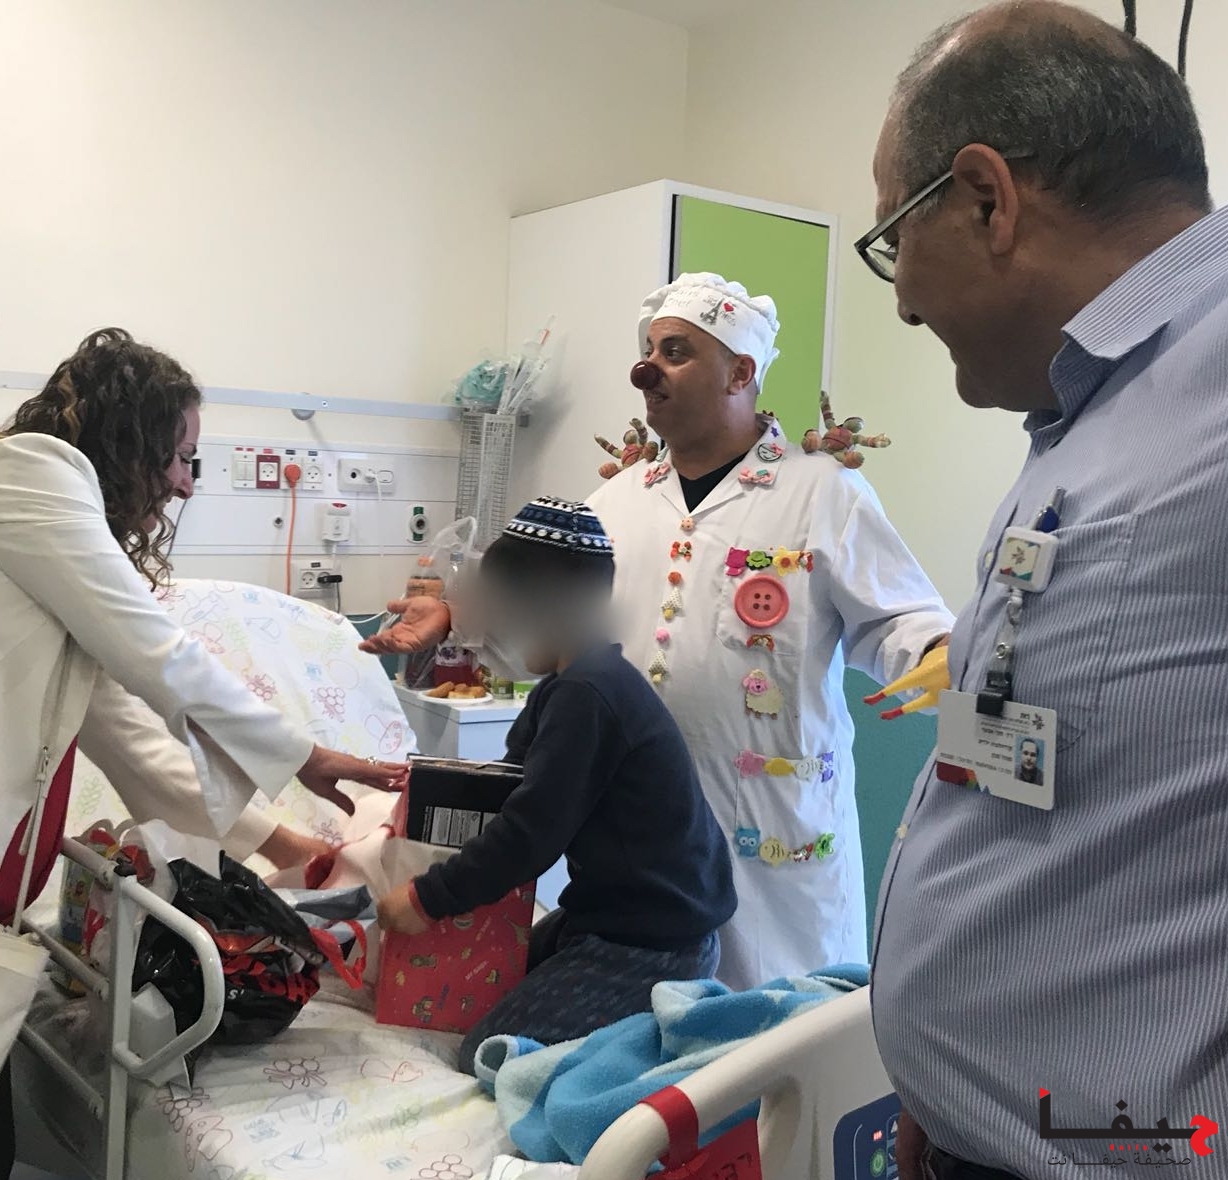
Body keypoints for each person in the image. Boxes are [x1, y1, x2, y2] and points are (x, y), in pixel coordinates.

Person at [862, 4, 1228, 1177]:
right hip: (1010, 1131)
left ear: (986, 199)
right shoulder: (1090, 417)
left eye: (893, 239)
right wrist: (963, 1079)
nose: (901, 300)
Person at [365, 274, 952, 990]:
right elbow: (543, 606)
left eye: (675, 352)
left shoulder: (822, 493)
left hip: (765, 821)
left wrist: (938, 651)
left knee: (777, 1025)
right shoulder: (618, 499)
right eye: (648, 352)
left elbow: (900, 616)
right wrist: (457, 618)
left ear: (740, 372)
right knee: (646, 1022)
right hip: (642, 833)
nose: (647, 370)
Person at [0, 327, 409, 1176]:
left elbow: (130, 739)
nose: (187, 483)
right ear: (129, 438)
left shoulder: (57, 551)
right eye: (182, 456)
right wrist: (304, 754)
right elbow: (161, 655)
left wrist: (284, 845)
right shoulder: (32, 473)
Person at [376, 498, 736, 1074]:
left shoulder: (589, 695)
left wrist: (428, 898)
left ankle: (649, 1052)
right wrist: (426, 794)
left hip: (653, 943)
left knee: (488, 1054)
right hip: (601, 916)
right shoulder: (563, 686)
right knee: (480, 990)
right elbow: (507, 787)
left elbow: (529, 833)